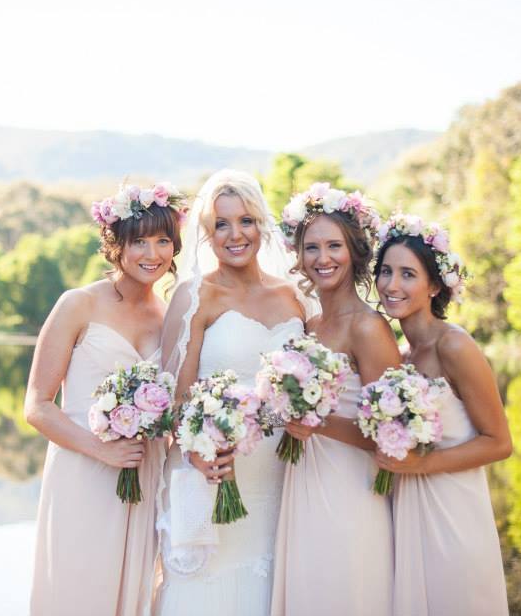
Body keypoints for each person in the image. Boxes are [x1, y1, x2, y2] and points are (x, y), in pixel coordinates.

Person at [26, 182, 186, 616]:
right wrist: (101, 449)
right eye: (139, 241)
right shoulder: (77, 305)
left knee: (136, 593)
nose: (152, 253)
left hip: (145, 472)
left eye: (163, 240)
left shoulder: (172, 316)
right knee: (81, 590)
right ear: (117, 246)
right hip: (84, 471)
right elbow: (37, 406)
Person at [154, 170, 308, 616]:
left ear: (262, 225)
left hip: (281, 476)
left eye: (246, 221)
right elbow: (175, 400)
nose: (235, 234)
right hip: (215, 476)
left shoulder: (294, 296)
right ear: (207, 234)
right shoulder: (195, 295)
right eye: (221, 224)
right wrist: (196, 450)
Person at [269, 185, 400, 615]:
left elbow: (391, 436)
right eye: (311, 248)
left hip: (350, 487)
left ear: (354, 251)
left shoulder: (368, 327)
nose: (322, 258)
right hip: (303, 478)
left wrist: (316, 423)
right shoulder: (309, 323)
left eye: (333, 246)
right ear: (299, 255)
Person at [373, 213, 511, 616]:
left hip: (455, 515)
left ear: (434, 285)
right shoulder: (399, 355)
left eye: (407, 274)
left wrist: (421, 465)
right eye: (385, 271)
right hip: (410, 510)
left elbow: (500, 443)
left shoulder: (455, 346)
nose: (392, 285)